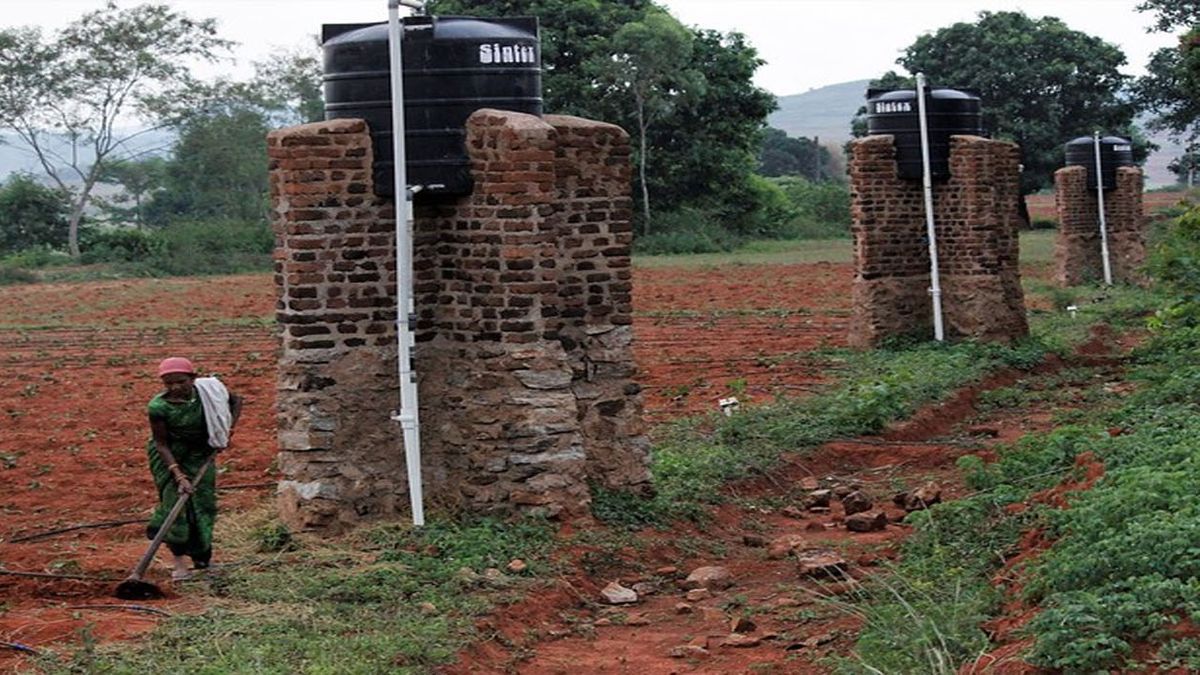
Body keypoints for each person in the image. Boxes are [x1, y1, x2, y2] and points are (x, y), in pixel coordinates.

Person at [146, 357, 242, 581]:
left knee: (203, 506)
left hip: (200, 454)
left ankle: (203, 561)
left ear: (193, 378)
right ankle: (179, 565)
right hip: (169, 457)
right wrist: (178, 475)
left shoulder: (209, 393)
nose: (175, 388)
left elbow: (236, 401)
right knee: (175, 508)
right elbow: (161, 444)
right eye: (168, 384)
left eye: (180, 382)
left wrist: (228, 429)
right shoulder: (158, 407)